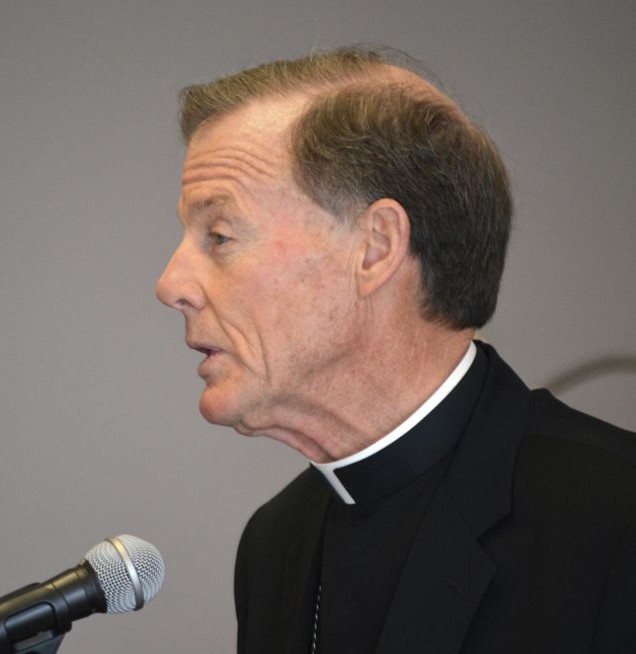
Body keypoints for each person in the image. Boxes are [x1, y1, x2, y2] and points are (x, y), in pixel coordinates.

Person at [155, 46, 636, 654]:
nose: (171, 284)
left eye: (219, 235)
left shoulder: (617, 520)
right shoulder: (274, 544)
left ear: (376, 248)